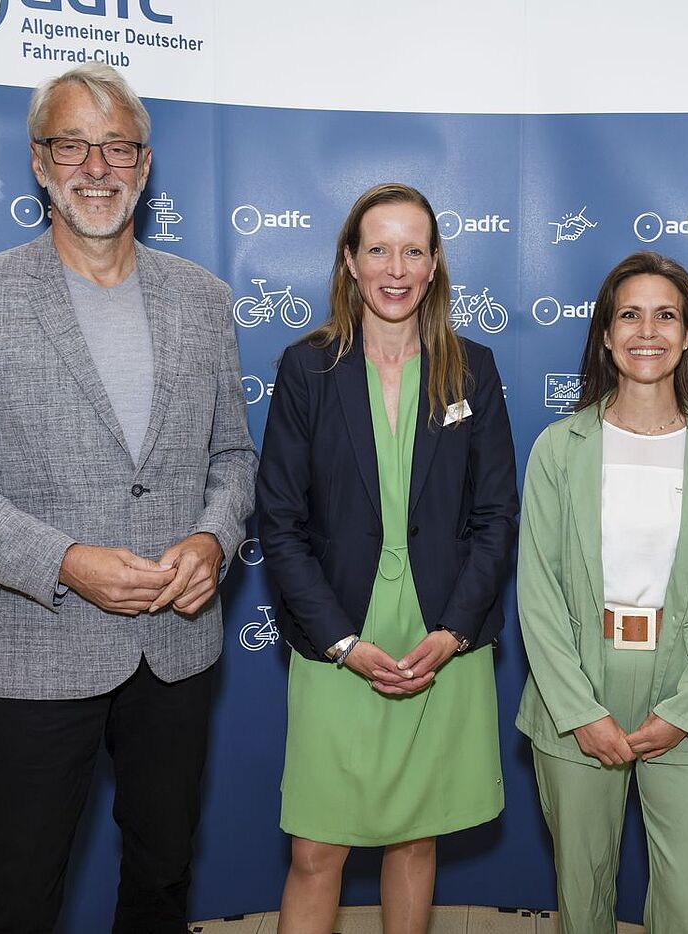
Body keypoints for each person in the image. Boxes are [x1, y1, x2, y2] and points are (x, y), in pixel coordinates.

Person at [0, 62, 257, 933]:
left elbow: (235, 458)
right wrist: (65, 562)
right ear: (37, 160)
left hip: (176, 648)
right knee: (20, 887)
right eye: (72, 143)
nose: (96, 166)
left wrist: (212, 541)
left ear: (145, 161)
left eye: (118, 146)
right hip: (36, 646)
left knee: (164, 874)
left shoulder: (204, 299)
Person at [255, 182, 518, 934]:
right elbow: (279, 522)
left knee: (415, 837)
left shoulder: (472, 367)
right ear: (349, 260)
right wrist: (341, 642)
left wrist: (456, 632)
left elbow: (498, 515)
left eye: (413, 250)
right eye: (378, 249)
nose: (395, 268)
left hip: (442, 634)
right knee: (316, 851)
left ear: (435, 264)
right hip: (337, 633)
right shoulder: (308, 369)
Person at [516, 251, 688, 934]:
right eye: (629, 314)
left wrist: (687, 710)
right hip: (578, 690)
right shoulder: (556, 448)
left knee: (687, 909)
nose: (646, 331)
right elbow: (536, 593)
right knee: (583, 900)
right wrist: (577, 711)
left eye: (665, 315)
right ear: (604, 332)